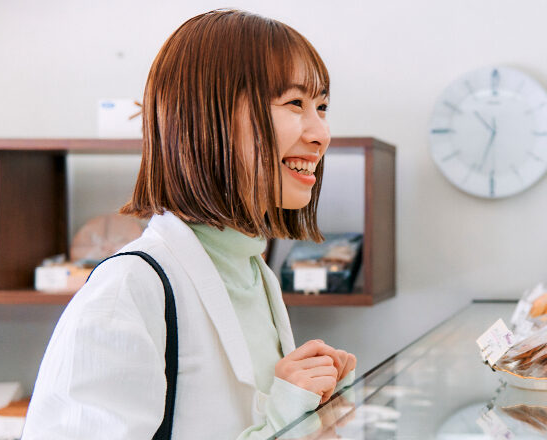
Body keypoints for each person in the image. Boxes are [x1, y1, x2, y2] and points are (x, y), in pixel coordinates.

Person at [23, 9, 356, 439]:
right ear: (208, 115)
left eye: (322, 106)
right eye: (295, 103)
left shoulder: (254, 272)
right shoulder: (128, 289)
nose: (321, 133)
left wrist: (309, 410)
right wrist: (283, 416)